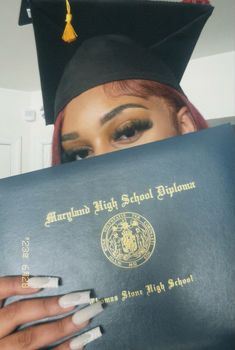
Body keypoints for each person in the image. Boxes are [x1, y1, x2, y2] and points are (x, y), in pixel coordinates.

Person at [0, 0, 214, 349]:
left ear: (185, 126)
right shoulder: (55, 286)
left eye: (127, 131)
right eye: (81, 153)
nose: (100, 169)